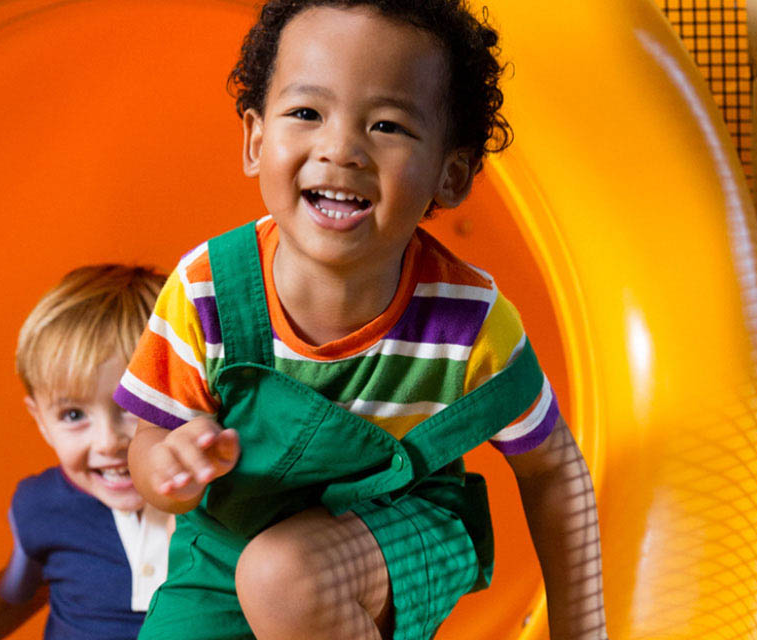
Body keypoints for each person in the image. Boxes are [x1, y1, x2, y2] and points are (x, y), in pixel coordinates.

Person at [119, 1, 608, 638]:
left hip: (404, 533)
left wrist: (584, 631)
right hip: (226, 543)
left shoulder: (467, 323)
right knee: (249, 584)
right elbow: (150, 444)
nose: (341, 148)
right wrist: (169, 471)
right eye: (306, 113)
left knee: (285, 576)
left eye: (387, 126)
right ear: (255, 139)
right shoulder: (206, 291)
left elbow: (554, 471)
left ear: (450, 175)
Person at [0, 265, 171, 640]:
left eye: (132, 407)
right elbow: (11, 595)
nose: (108, 442)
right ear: (41, 421)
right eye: (74, 414)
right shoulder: (41, 508)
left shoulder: (226, 501)